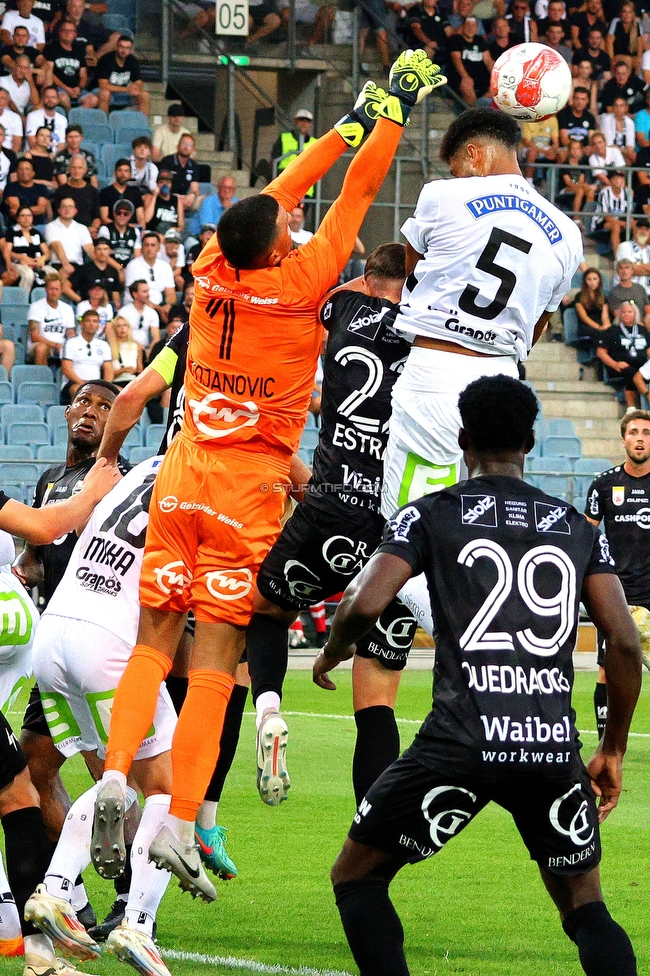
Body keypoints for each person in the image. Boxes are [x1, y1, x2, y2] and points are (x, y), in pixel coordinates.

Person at [90, 53, 446, 902]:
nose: (293, 224)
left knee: (153, 643)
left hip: (179, 475)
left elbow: (289, 182)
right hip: (247, 490)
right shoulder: (300, 281)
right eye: (287, 225)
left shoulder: (213, 265)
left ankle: (111, 781)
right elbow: (354, 192)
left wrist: (361, 115)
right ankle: (178, 821)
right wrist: (393, 107)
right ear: (279, 243)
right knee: (217, 661)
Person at [318, 374, 641, 976]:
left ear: (462, 441)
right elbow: (623, 642)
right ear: (532, 441)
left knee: (357, 876)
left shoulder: (431, 515)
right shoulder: (577, 526)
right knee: (585, 906)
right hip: (549, 744)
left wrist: (334, 649)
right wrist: (613, 748)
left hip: (459, 741)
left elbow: (363, 603)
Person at [247, 244, 418, 807]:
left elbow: (299, 302)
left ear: (368, 278)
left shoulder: (344, 304)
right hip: (398, 525)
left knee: (268, 612)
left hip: (331, 503)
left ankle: (269, 708)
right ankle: (373, 835)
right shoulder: (431, 319)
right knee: (377, 699)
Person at [24, 454, 176, 976]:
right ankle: (139, 921)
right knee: (161, 784)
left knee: (115, 774)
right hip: (107, 644)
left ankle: (55, 890)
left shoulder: (146, 467)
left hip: (53, 634)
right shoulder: (210, 482)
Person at [586, 409, 650, 741]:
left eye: (646, 432)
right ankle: (605, 744)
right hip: (617, 597)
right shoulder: (604, 485)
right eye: (634, 432)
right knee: (606, 670)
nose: (640, 438)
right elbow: (587, 537)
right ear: (623, 438)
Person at [596, 300, 650, 406]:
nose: (626, 314)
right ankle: (631, 407)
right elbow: (600, 352)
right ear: (619, 314)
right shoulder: (612, 330)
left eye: (629, 312)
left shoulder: (642, 330)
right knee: (631, 372)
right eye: (623, 312)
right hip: (619, 366)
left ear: (635, 314)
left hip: (641, 364)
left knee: (642, 371)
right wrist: (615, 364)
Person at [60, 308, 114, 402]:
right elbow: (66, 369)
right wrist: (84, 384)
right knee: (81, 391)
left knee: (122, 394)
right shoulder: (71, 342)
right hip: (74, 383)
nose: (91, 324)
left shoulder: (104, 345)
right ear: (81, 324)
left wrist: (105, 387)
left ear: (98, 325)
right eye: (88, 321)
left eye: (95, 321)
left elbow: (109, 370)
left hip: (96, 385)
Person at [43, 18, 96, 110]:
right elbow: (50, 73)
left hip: (76, 89)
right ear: (60, 32)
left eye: (71, 31)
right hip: (59, 88)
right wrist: (67, 88)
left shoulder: (79, 51)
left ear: (75, 34)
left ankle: (75, 117)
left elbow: (83, 75)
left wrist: (79, 88)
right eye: (65, 30)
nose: (67, 33)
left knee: (93, 99)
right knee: (64, 99)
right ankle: (68, 121)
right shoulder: (51, 48)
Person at [123, 231, 175, 324]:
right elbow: (138, 296)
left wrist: (168, 306)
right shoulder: (133, 266)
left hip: (159, 306)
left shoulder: (165, 266)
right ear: (142, 248)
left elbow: (170, 292)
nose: (149, 248)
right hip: (138, 306)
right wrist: (160, 309)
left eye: (153, 245)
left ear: (159, 248)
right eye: (146, 245)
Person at [4, 204, 54, 292]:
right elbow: (7, 251)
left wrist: (42, 259)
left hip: (37, 262)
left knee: (54, 275)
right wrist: (21, 257)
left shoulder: (36, 233)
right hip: (19, 263)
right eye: (22, 215)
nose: (26, 218)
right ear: (17, 218)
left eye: (29, 215)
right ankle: (22, 300)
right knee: (28, 275)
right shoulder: (12, 232)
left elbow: (47, 253)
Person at [96, 34, 149, 116]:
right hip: (106, 92)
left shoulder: (132, 60)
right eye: (121, 47)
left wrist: (135, 88)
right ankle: (104, 124)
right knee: (104, 94)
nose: (123, 50)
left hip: (124, 92)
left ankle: (143, 126)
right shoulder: (106, 60)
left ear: (131, 50)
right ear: (116, 47)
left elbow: (138, 82)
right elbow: (103, 85)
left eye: (127, 48)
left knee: (144, 95)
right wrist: (127, 89)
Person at [27, 270, 74, 364]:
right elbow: (35, 337)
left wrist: (68, 346)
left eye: (57, 289)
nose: (54, 292)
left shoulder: (67, 308)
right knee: (41, 348)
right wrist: (56, 345)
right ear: (46, 289)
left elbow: (70, 333)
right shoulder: (36, 307)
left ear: (61, 290)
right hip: (42, 344)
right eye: (51, 289)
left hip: (61, 345)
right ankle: (41, 378)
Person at [447, 17, 493, 105]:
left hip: (480, 77)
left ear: (477, 28)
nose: (470, 28)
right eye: (468, 25)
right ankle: (474, 114)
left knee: (496, 86)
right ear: (462, 27)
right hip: (460, 77)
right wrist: (465, 76)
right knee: (467, 84)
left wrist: (495, 79)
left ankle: (480, 108)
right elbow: (456, 59)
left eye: (473, 26)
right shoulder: (456, 39)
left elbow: (488, 61)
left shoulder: (480, 40)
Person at [51, 153, 100, 235]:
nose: (76, 171)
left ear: (85, 170)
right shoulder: (61, 191)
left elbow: (97, 218)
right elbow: (57, 217)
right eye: (74, 168)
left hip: (87, 232)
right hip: (66, 232)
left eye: (80, 168)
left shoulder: (93, 191)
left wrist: (92, 228)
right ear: (69, 169)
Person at [45, 195, 94, 277]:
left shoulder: (82, 228)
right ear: (59, 210)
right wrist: (66, 264)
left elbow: (90, 249)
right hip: (58, 265)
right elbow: (56, 246)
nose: (67, 209)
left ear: (75, 211)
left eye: (70, 207)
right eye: (64, 207)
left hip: (78, 266)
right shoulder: (51, 226)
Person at [271, 109, 317, 196]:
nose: (304, 123)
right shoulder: (284, 138)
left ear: (311, 124)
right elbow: (274, 160)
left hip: (305, 187)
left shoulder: (315, 142)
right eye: (301, 120)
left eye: (307, 121)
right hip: (285, 183)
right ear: (295, 121)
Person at [590, 169, 631, 254]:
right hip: (602, 221)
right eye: (615, 178)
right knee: (616, 226)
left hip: (621, 220)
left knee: (637, 226)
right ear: (611, 180)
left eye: (620, 178)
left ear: (624, 180)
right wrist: (621, 223)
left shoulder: (628, 193)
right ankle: (617, 258)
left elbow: (628, 213)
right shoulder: (605, 192)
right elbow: (606, 216)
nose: (617, 180)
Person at [118, 278, 160, 359]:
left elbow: (156, 337)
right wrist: (140, 348)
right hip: (128, 348)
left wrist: (150, 350)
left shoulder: (152, 313)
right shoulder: (124, 312)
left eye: (148, 291)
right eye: (144, 292)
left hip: (146, 349)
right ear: (135, 294)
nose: (148, 295)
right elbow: (123, 334)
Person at [99, 159, 145, 228]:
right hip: (112, 230)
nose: (123, 174)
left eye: (126, 171)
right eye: (120, 170)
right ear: (115, 173)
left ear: (130, 175)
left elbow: (141, 217)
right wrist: (123, 227)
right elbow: (104, 218)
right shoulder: (105, 192)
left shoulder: (135, 192)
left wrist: (140, 229)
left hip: (133, 230)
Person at [159, 133, 199, 211]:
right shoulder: (167, 161)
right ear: (177, 146)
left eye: (189, 145)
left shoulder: (194, 165)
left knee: (202, 200)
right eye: (183, 143)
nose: (186, 147)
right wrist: (178, 198)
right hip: (168, 196)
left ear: (193, 149)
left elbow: (195, 189)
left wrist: (192, 195)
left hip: (185, 198)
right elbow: (163, 186)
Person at [97, 199, 141, 268]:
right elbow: (103, 254)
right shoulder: (105, 229)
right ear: (114, 213)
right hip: (109, 268)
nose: (122, 216)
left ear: (130, 215)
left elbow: (137, 256)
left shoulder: (135, 231)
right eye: (119, 213)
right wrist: (120, 269)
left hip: (128, 268)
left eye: (126, 214)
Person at [574, 267, 612, 343]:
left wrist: (607, 325)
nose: (592, 282)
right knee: (600, 334)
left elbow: (605, 316)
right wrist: (598, 327)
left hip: (600, 323)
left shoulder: (603, 296)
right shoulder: (579, 296)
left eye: (595, 279)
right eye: (589, 279)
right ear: (585, 281)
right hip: (587, 326)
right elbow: (584, 317)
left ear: (599, 280)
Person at [25, 84, 66, 151]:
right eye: (47, 97)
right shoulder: (32, 116)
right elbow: (32, 141)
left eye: (53, 97)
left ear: (58, 100)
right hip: (35, 154)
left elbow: (61, 144)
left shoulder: (62, 119)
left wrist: (54, 157)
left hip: (55, 157)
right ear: (43, 99)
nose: (50, 100)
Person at [143, 168, 184, 236]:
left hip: (172, 234)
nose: (164, 185)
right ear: (157, 184)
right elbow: (146, 220)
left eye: (167, 182)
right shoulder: (151, 198)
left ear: (171, 184)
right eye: (161, 182)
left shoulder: (176, 200)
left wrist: (170, 231)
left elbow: (181, 226)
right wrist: (154, 196)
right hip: (155, 233)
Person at [598, 96, 635, 165]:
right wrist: (624, 152)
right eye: (616, 106)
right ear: (612, 108)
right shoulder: (607, 119)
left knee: (632, 157)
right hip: (609, 152)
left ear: (626, 108)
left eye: (621, 106)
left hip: (624, 153)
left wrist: (626, 154)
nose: (618, 109)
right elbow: (609, 144)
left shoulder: (630, 122)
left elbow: (630, 146)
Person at [109, 315, 142, 386]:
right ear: (114, 329)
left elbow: (140, 370)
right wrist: (124, 370)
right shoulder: (110, 347)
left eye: (124, 325)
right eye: (118, 326)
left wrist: (134, 370)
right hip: (117, 382)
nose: (122, 328)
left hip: (132, 381)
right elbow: (109, 374)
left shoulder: (136, 346)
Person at [23, 124, 56, 190]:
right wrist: (45, 182)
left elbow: (54, 178)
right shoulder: (29, 155)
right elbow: (25, 178)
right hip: (33, 188)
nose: (45, 139)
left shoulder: (51, 156)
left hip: (50, 188)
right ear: (36, 137)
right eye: (41, 135)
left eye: (48, 136)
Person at [0, 88, 22, 153]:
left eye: (3, 98)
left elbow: (17, 145)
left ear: (7, 101)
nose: (0, 101)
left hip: (8, 155)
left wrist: (10, 158)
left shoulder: (15, 117)